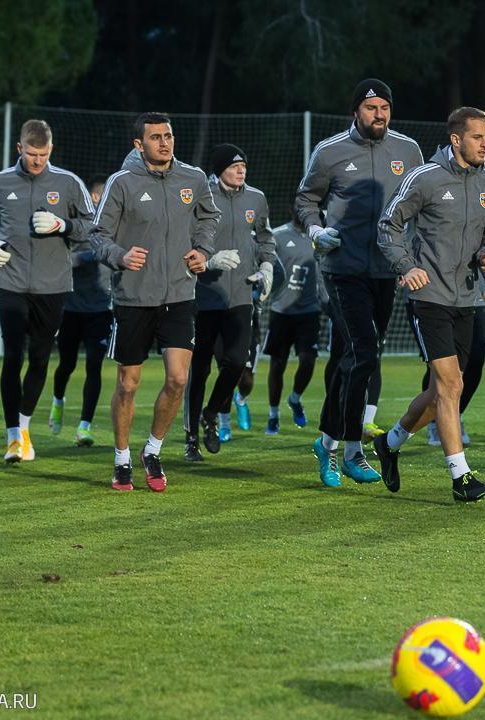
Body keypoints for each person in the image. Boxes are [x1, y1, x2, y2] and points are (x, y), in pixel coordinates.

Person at [373, 107, 485, 502]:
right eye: (477, 137)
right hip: (428, 296)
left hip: (467, 297)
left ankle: (389, 444)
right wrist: (406, 266)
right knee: (450, 386)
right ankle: (461, 478)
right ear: (455, 139)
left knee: (439, 394)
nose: (484, 144)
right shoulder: (425, 178)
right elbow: (388, 225)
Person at [295, 78, 424, 487]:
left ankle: (326, 443)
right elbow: (305, 200)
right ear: (356, 111)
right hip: (343, 269)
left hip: (386, 270)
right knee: (363, 352)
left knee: (348, 358)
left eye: (384, 107)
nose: (379, 114)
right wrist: (316, 231)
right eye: (371, 108)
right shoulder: (329, 151)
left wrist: (408, 261)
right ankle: (353, 450)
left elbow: (418, 208)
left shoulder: (409, 150)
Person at [90, 112, 220, 492]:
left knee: (178, 379)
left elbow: (209, 217)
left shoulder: (193, 178)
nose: (164, 143)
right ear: (139, 144)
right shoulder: (121, 182)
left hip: (179, 294)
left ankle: (153, 449)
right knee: (128, 385)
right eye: (155, 137)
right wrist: (120, 256)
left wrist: (203, 250)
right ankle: (121, 458)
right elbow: (97, 235)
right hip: (133, 297)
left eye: (168, 136)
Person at [0, 119, 94, 462]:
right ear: (20, 148)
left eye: (43, 154)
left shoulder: (68, 183)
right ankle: (13, 436)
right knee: (13, 355)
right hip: (9, 282)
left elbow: (93, 225)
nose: (37, 160)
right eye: (31, 154)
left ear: (51, 149)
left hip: (53, 285)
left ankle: (25, 428)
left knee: (41, 357)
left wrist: (63, 224)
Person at [182, 144, 276, 462]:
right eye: (235, 166)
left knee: (236, 362)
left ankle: (211, 413)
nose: (241, 170)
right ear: (219, 169)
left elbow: (265, 237)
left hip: (240, 297)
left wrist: (267, 266)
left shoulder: (256, 198)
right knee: (199, 369)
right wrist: (208, 262)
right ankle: (191, 438)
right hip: (203, 296)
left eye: (243, 166)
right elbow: (183, 240)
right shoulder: (201, 196)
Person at [49, 176, 113, 447]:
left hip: (101, 309)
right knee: (67, 364)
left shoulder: (114, 226)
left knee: (94, 366)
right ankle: (58, 400)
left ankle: (84, 426)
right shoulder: (75, 227)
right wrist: (90, 256)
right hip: (71, 308)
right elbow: (65, 260)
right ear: (94, 198)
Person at [264, 218, 327, 435]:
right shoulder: (278, 235)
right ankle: (273, 415)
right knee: (277, 364)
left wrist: (326, 300)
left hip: (309, 311)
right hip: (281, 311)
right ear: (292, 209)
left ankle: (295, 398)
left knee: (308, 360)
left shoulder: (319, 236)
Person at [426, 276, 485, 447]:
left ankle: (455, 415)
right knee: (438, 365)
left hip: (472, 298)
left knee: (476, 358)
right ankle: (435, 421)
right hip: (436, 298)